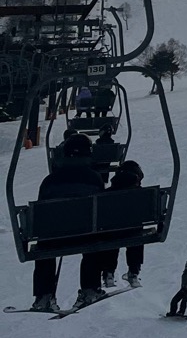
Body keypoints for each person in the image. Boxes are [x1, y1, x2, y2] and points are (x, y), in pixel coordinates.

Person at [30, 132, 106, 313]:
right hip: (85, 234)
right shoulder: (95, 178)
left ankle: (44, 296)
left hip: (53, 238)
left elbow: (41, 214)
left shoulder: (49, 181)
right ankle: (90, 288)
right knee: (95, 240)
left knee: (44, 245)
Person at [98, 159, 145, 289]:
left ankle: (108, 272)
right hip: (133, 232)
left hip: (112, 232)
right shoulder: (142, 193)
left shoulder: (107, 193)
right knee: (136, 234)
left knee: (110, 235)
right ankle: (133, 272)